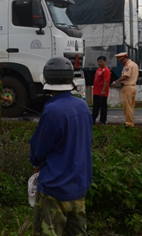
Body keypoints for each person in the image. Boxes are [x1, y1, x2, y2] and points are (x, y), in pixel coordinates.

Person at [30, 57, 93, 236]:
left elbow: (39, 149)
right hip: (79, 187)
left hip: (54, 189)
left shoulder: (52, 110)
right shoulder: (82, 106)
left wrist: (36, 163)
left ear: (47, 80)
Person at [111, 52, 139, 128]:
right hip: (133, 86)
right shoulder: (134, 64)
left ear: (123, 59)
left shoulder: (128, 66)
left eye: (121, 61)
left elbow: (125, 76)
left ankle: (129, 124)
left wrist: (116, 82)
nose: (121, 63)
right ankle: (131, 121)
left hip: (128, 87)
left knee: (127, 107)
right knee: (131, 106)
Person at [92, 56, 111, 125]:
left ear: (105, 62)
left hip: (102, 92)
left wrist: (103, 90)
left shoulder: (106, 70)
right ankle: (93, 119)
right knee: (95, 106)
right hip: (96, 92)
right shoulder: (98, 70)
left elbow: (106, 81)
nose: (99, 63)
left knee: (103, 107)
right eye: (98, 62)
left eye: (101, 62)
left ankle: (103, 120)